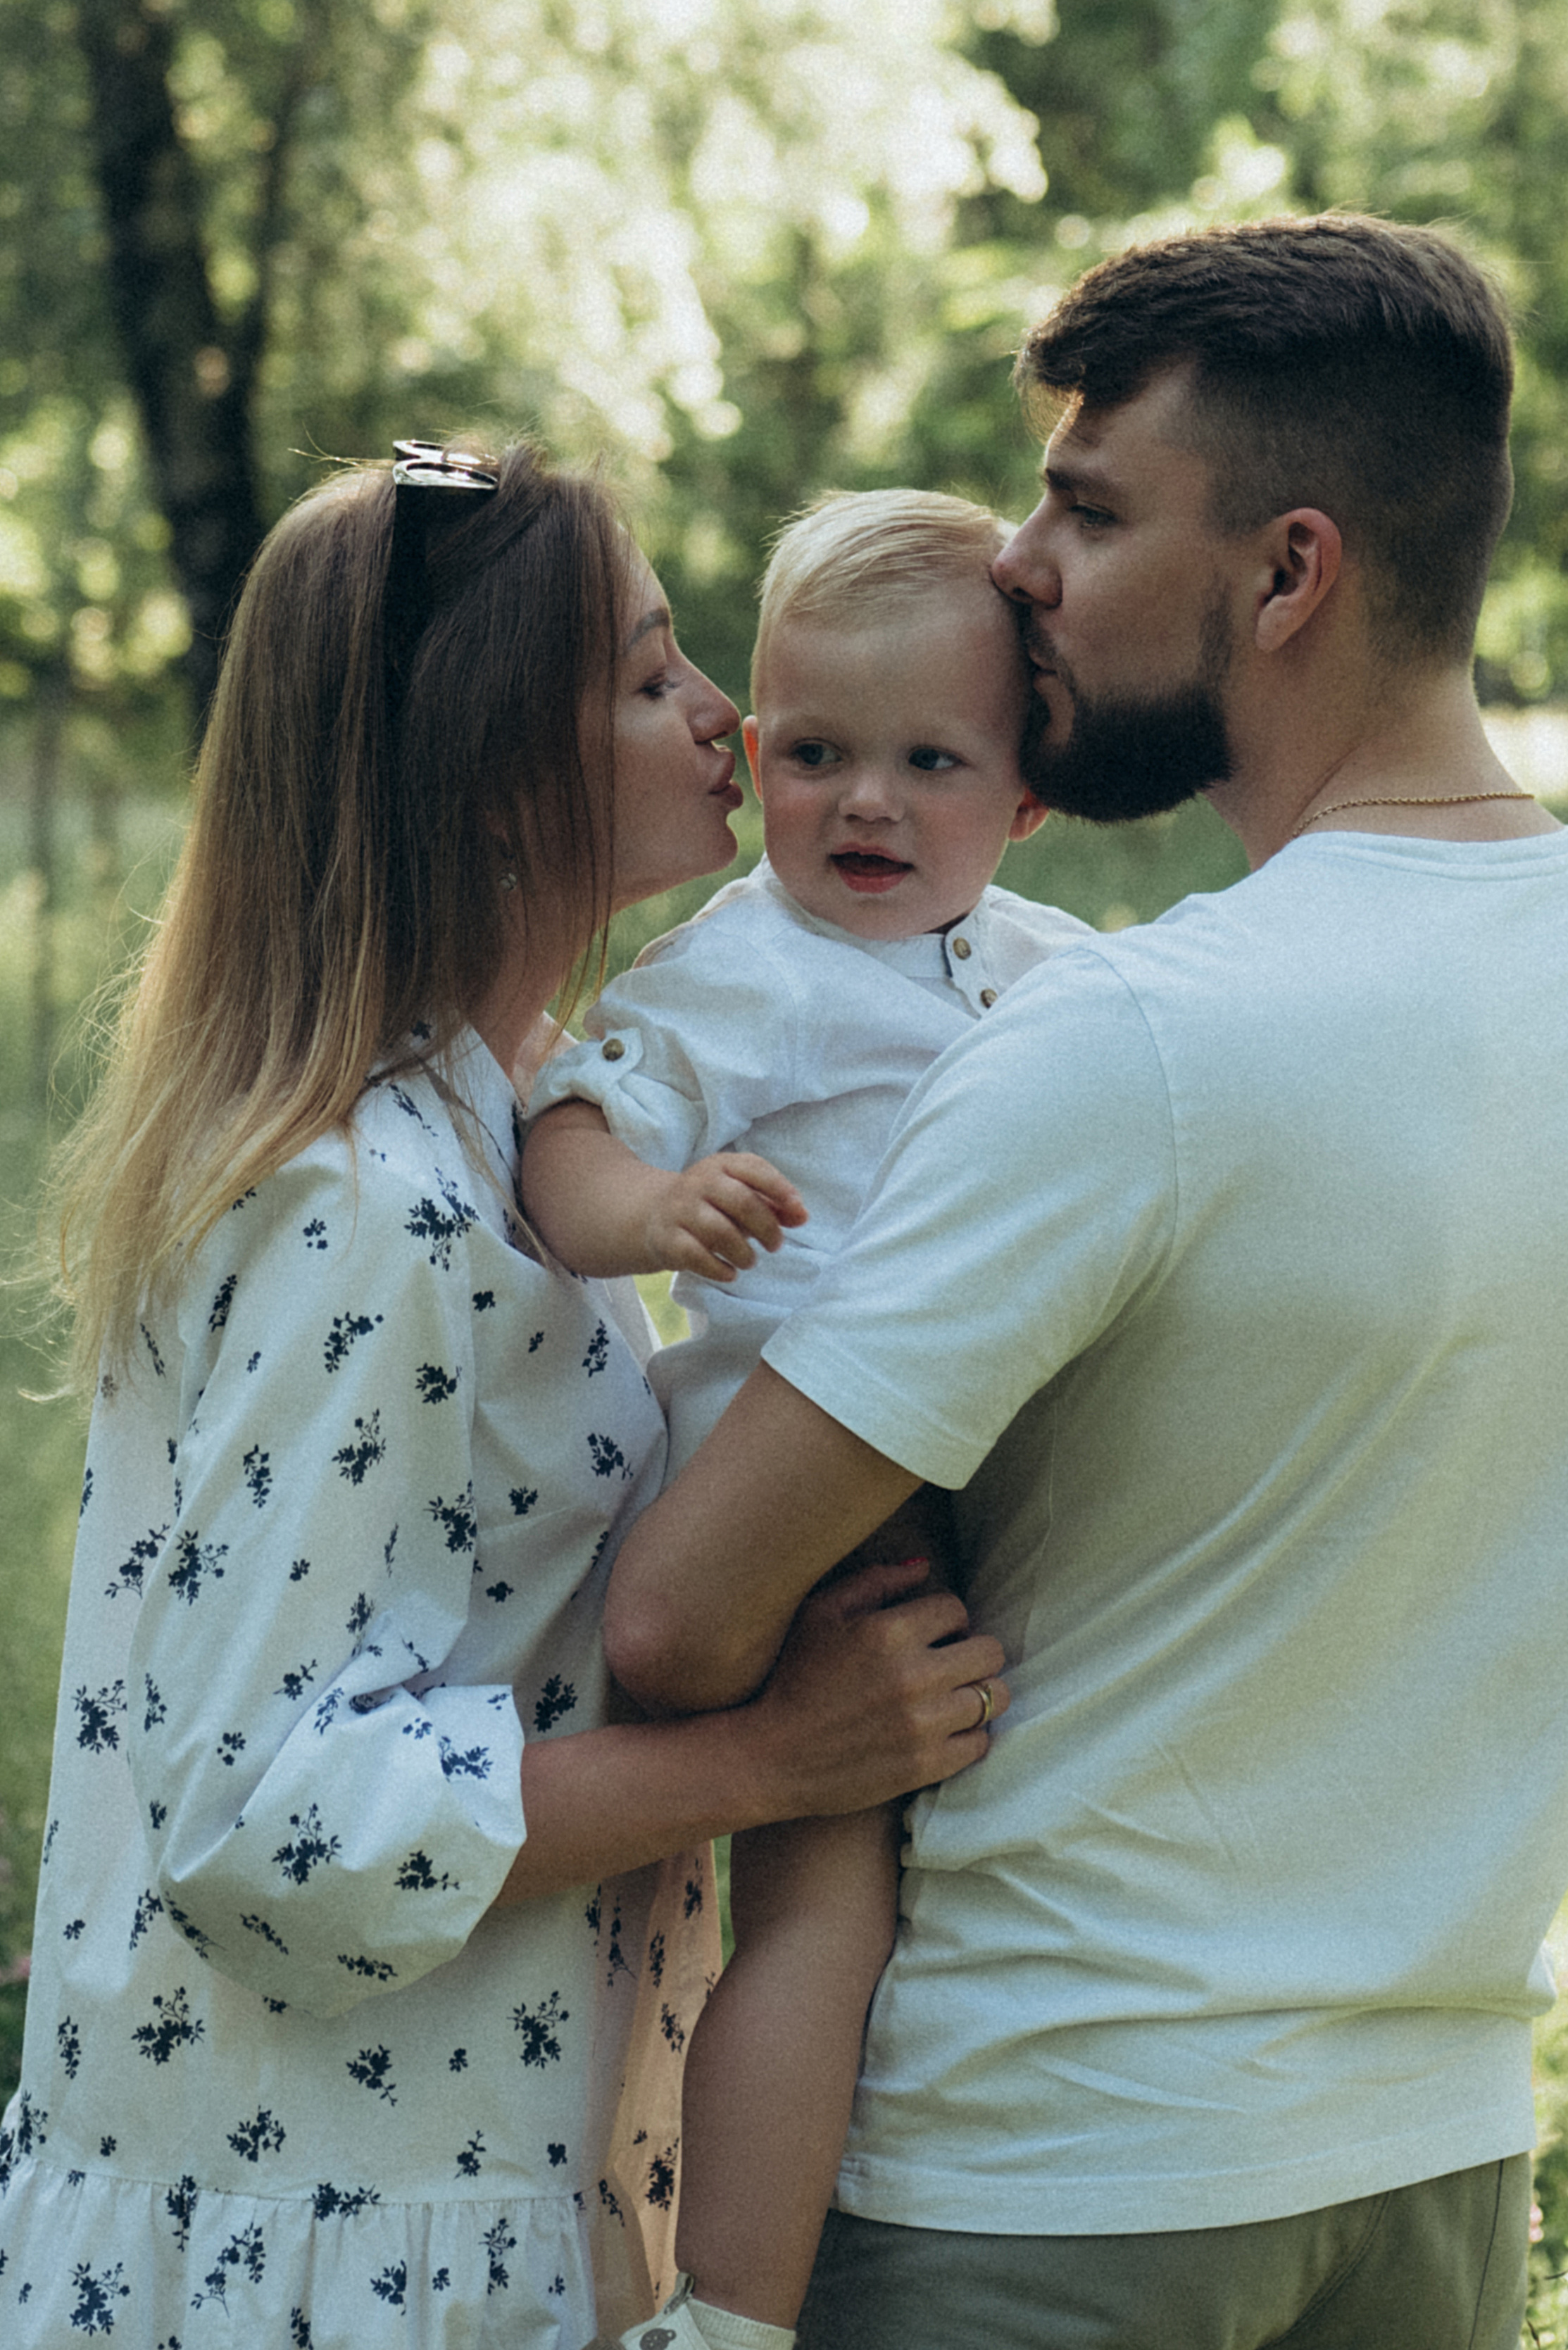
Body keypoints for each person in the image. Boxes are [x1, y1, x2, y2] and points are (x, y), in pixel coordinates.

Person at [600, 217, 1568, 2350]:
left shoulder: (1125, 1039)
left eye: (1088, 508)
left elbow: (691, 1620)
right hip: (1433, 2188)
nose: (1025, 569)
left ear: (1289, 572)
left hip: (1045, 2184)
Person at [0, 440, 1005, 2350]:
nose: (729, 718)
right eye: (646, 680)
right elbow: (262, 1816)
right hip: (322, 2250)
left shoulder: (502, 1125)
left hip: (453, 2173)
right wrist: (771, 1765)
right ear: (487, 779)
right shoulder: (364, 1203)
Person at [518, 489, 1085, 2350]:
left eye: (932, 760)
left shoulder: (1050, 971)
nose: (866, 803)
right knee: (818, 1916)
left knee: (942, 1907)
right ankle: (734, 2314)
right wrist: (653, 1218)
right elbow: (581, 1129)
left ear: (1026, 796)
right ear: (754, 758)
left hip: (977, 1466)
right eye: (817, 751)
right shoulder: (744, 974)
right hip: (790, 1484)